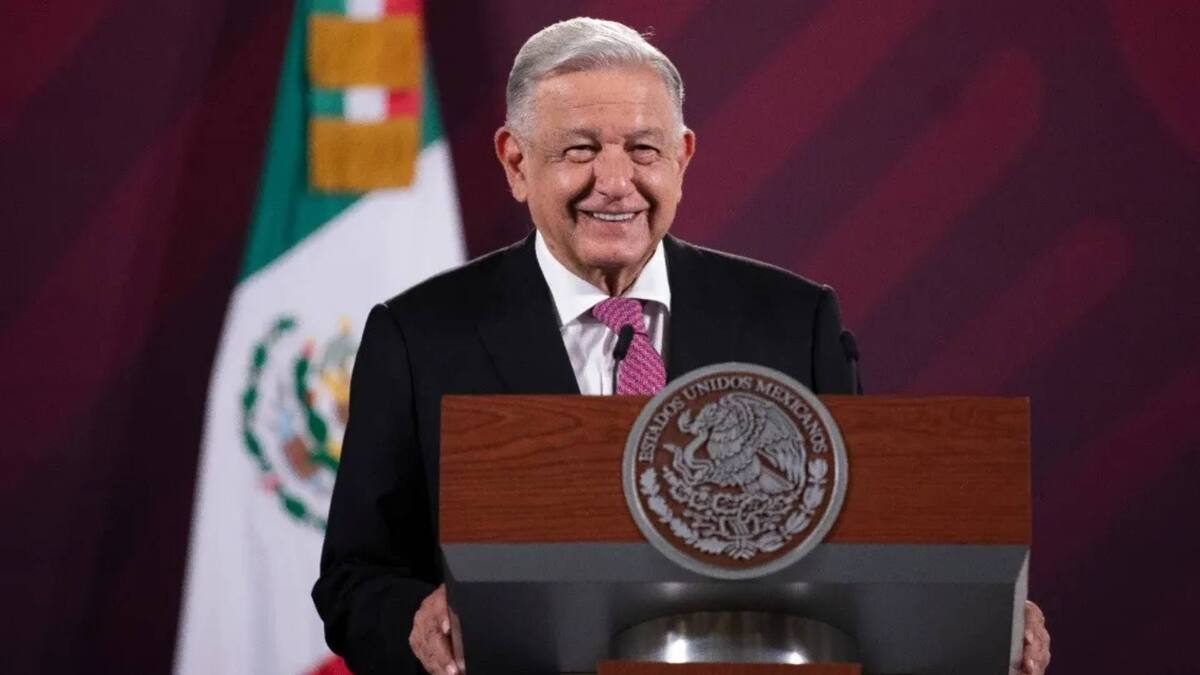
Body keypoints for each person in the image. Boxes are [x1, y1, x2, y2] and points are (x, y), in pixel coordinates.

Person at [312, 17, 1050, 675]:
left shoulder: (793, 321)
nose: (615, 182)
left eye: (643, 149)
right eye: (578, 150)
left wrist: (978, 619)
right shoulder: (419, 335)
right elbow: (354, 576)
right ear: (514, 161)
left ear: (683, 156)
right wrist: (415, 625)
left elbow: (858, 545)